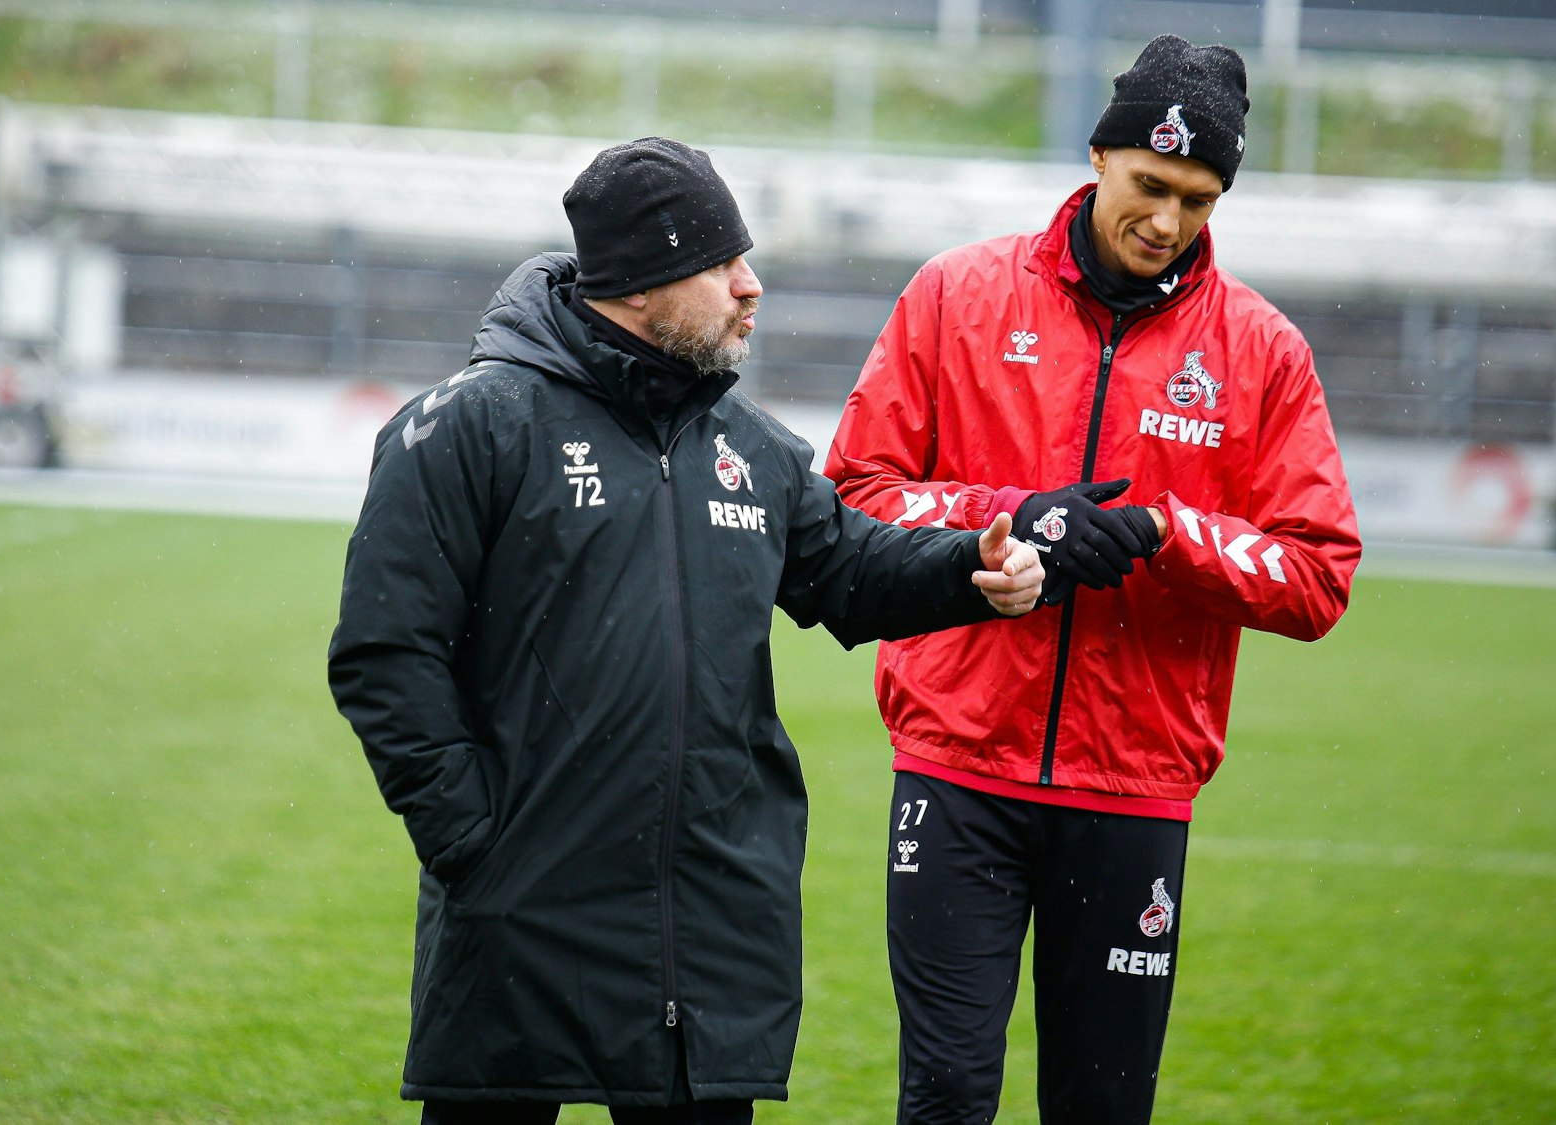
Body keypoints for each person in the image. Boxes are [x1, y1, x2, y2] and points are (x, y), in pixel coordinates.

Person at [327, 137, 1045, 1125]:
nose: (751, 287)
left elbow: (850, 570)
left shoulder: (751, 448)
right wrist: (470, 839)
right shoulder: (469, 427)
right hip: (517, 908)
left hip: (706, 920)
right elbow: (386, 652)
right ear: (638, 283)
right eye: (721, 264)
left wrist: (969, 567)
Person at [823, 37, 1363, 1125]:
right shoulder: (956, 294)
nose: (1166, 221)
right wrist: (1008, 515)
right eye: (1149, 185)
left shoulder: (1261, 349)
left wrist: (1168, 533)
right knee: (946, 1096)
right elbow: (854, 497)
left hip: (1132, 791)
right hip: (957, 771)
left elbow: (1317, 575)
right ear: (1099, 156)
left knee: (1103, 1108)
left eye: (1198, 201)